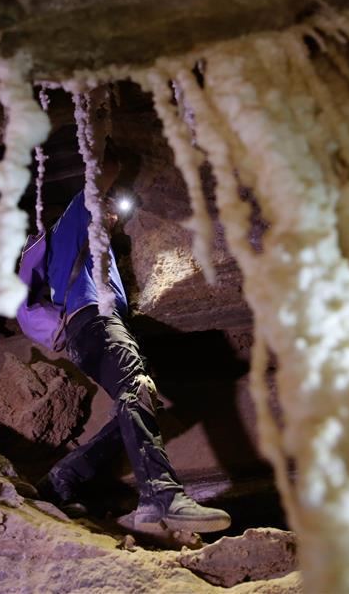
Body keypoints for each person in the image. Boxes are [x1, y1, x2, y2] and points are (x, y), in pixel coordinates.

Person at [36, 144, 232, 534]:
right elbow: (106, 167)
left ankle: (62, 480)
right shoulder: (75, 219)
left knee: (141, 400)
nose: (113, 212)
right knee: (137, 391)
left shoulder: (88, 250)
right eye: (108, 204)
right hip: (97, 322)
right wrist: (107, 136)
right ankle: (161, 497)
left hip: (89, 332)